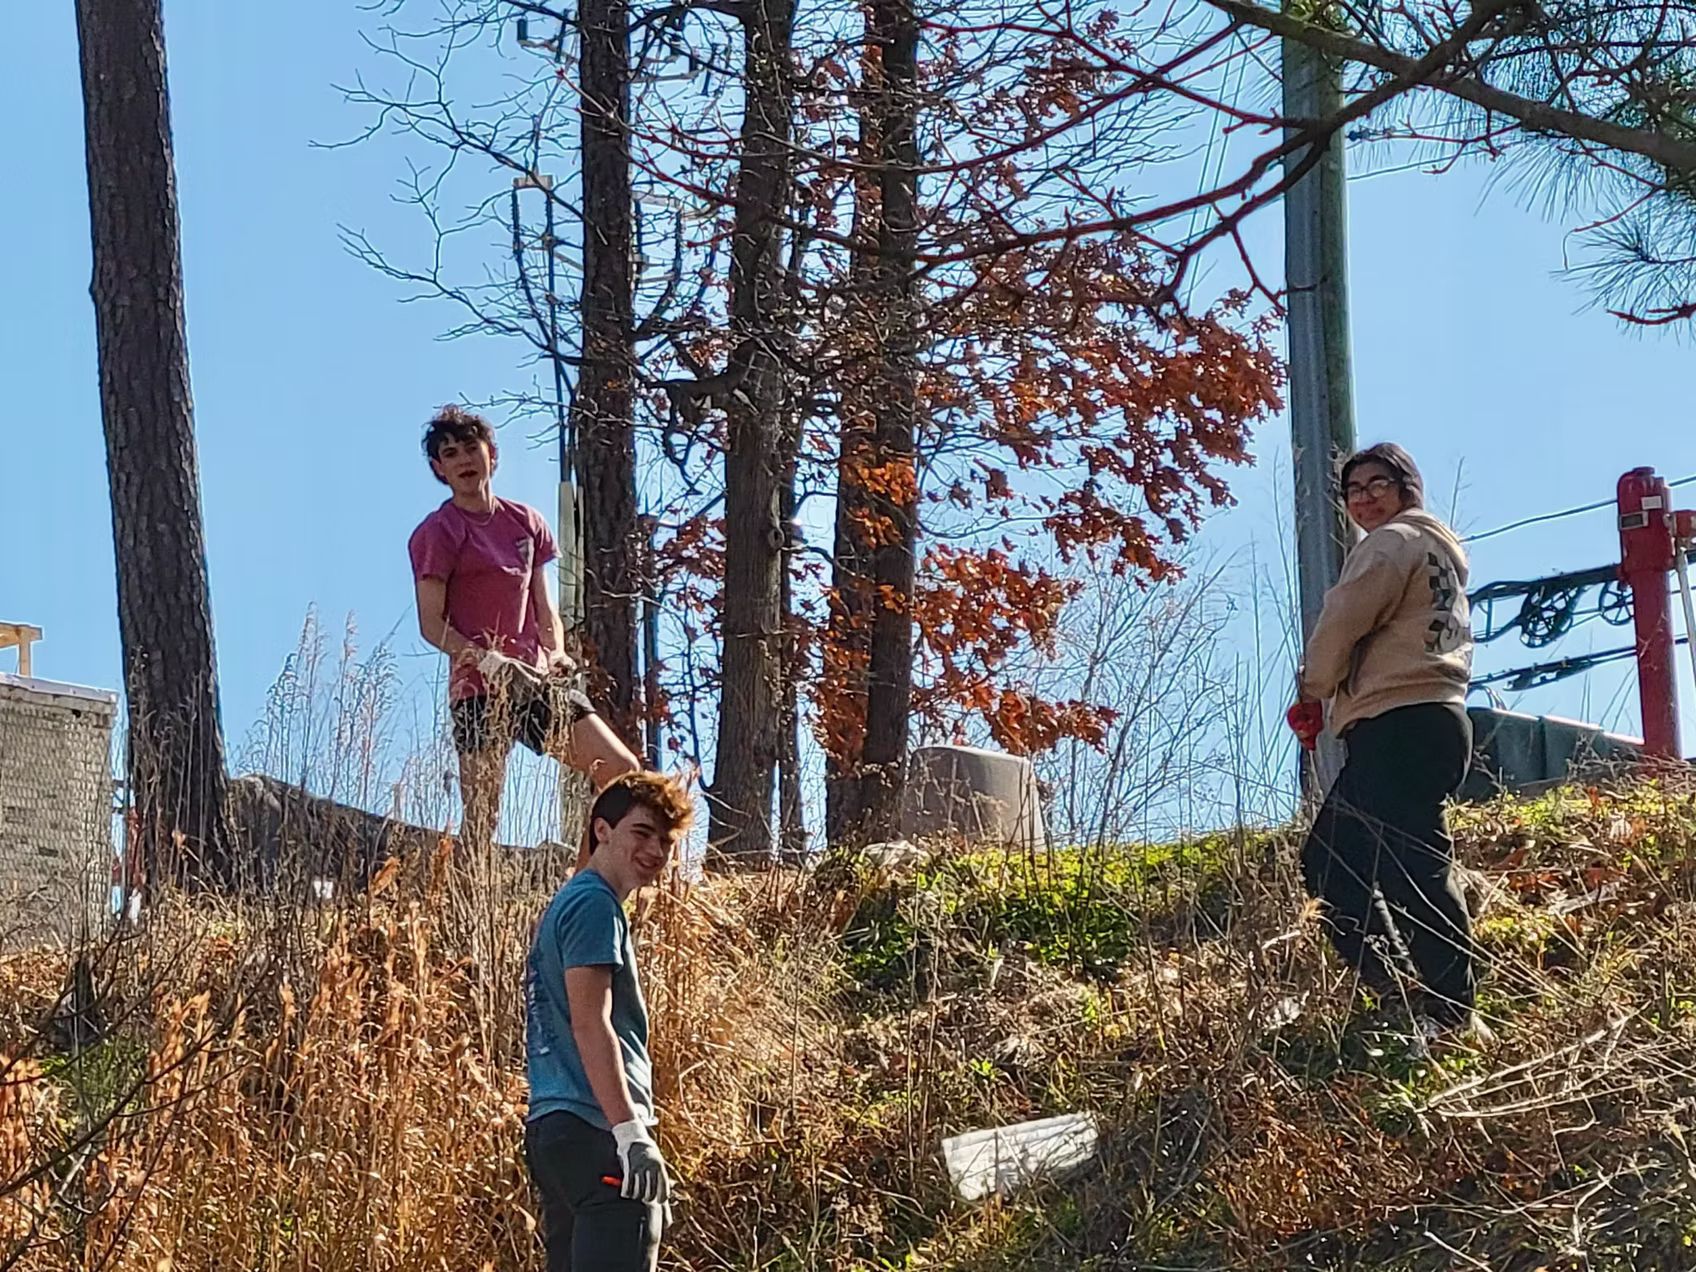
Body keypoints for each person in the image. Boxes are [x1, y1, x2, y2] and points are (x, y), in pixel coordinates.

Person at [1287, 442, 1485, 1045]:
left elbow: (1342, 617)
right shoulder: (1440, 554)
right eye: (1353, 491)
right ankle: (1406, 997)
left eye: (1378, 483)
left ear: (1406, 488)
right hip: (1434, 719)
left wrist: (1314, 688)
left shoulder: (1392, 543)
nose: (1364, 498)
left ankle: (1450, 1009)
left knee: (1400, 866)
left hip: (1398, 719)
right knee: (1340, 861)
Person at [408, 406, 638, 851]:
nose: (462, 460)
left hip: (535, 683)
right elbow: (431, 625)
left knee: (618, 768)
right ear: (439, 470)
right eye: (450, 454)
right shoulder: (438, 532)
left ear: (491, 454)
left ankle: (587, 888)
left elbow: (543, 607)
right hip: (478, 690)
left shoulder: (525, 523)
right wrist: (487, 661)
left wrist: (556, 654)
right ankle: (462, 911)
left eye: (470, 448)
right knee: (482, 817)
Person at [524, 770, 693, 1272]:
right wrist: (630, 1133)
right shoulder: (596, 903)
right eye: (642, 833)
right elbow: (590, 1022)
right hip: (594, 1128)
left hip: (556, 1131)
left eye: (664, 842)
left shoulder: (569, 904)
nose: (655, 852)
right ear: (602, 829)